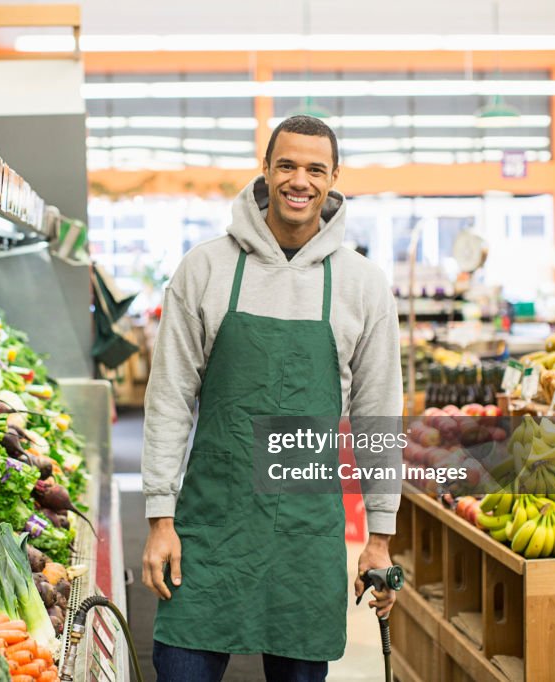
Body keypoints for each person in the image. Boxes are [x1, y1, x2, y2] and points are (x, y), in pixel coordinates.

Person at [140, 115, 402, 681]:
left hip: (304, 539)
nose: (299, 180)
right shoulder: (205, 268)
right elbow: (168, 399)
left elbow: (377, 413)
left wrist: (379, 537)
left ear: (334, 178)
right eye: (286, 165)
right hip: (210, 529)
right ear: (265, 170)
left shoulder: (362, 284)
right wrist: (160, 516)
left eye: (315, 168)